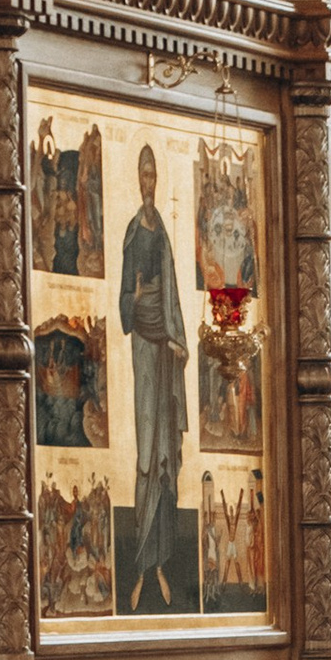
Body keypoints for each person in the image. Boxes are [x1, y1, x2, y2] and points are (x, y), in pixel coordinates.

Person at [119, 143, 189, 611]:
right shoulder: (132, 233)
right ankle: (141, 566)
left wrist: (178, 336)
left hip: (164, 347)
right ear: (136, 179)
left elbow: (175, 291)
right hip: (145, 348)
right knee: (147, 449)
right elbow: (126, 303)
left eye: (153, 175)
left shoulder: (162, 231)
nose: (149, 183)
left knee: (166, 452)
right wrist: (138, 295)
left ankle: (162, 563)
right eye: (143, 175)